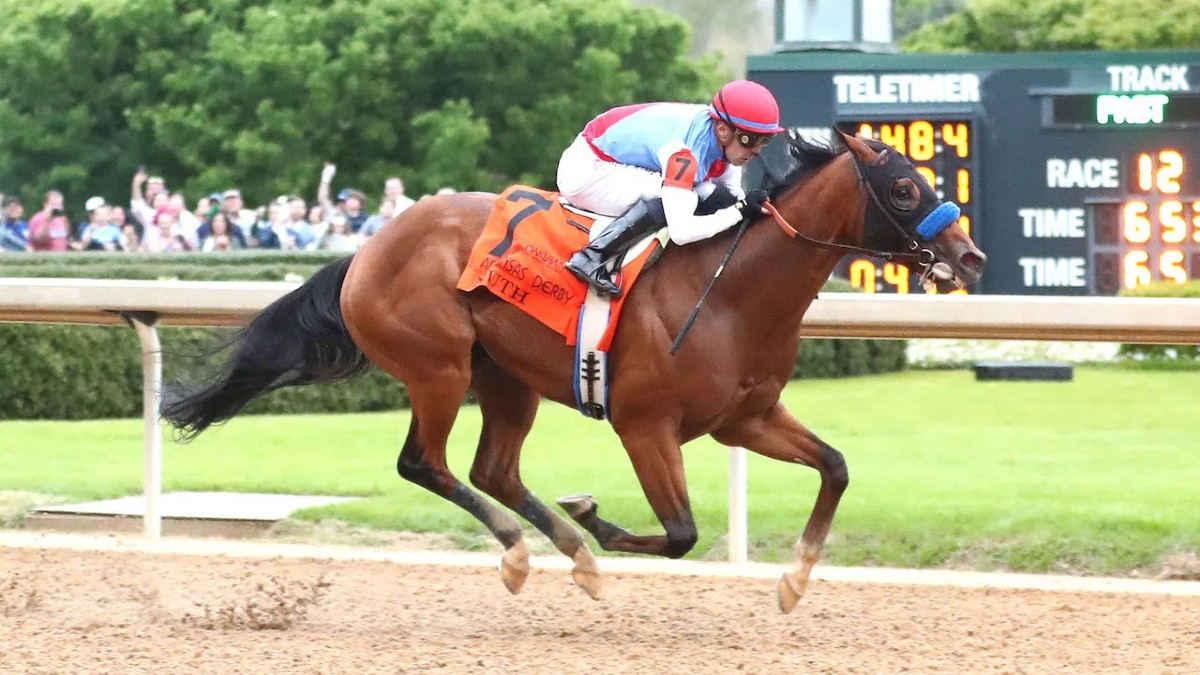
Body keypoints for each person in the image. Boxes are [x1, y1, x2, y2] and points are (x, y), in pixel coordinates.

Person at [556, 80, 783, 295]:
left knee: (709, 195)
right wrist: (738, 211)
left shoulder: (722, 140)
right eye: (751, 140)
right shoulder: (683, 152)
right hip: (587, 171)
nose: (757, 150)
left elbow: (734, 199)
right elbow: (682, 233)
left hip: (613, 159)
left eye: (766, 140)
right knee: (690, 198)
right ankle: (592, 258)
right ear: (723, 130)